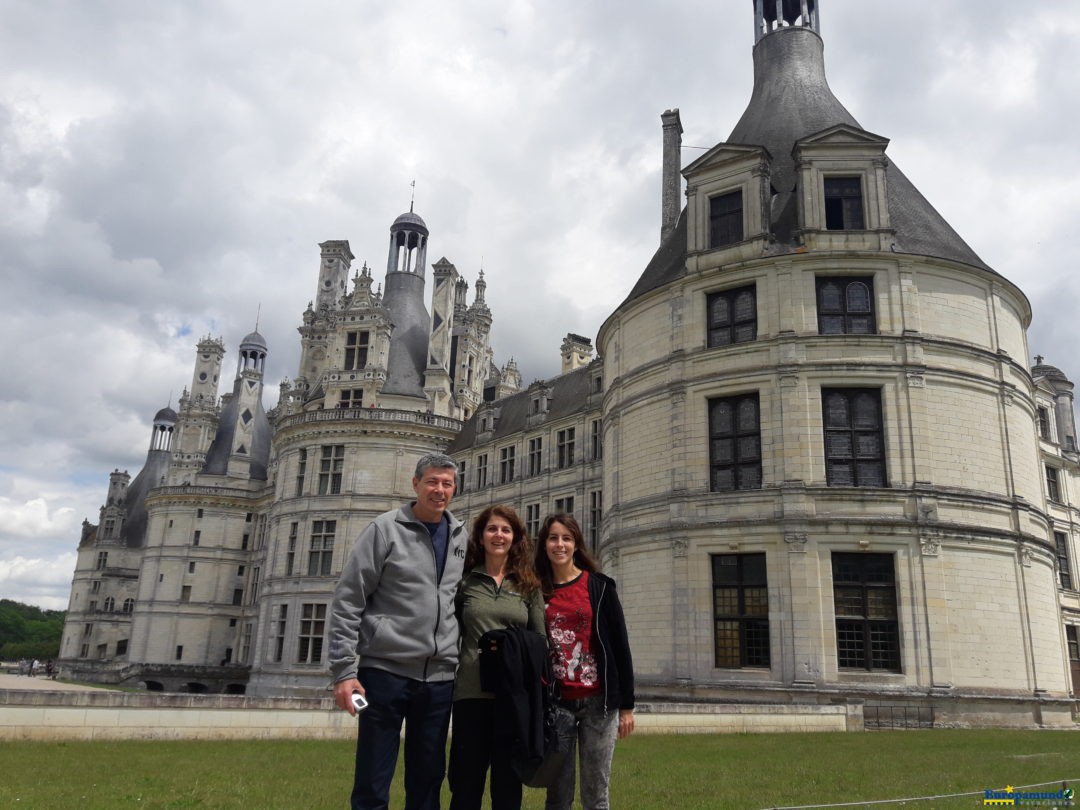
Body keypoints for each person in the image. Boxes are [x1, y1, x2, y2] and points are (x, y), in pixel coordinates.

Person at [327, 452, 467, 810]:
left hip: (438, 679)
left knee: (428, 778)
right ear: (415, 484)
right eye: (432, 482)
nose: (440, 490)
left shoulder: (460, 537)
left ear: (455, 488)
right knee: (373, 779)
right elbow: (348, 598)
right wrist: (344, 671)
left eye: (447, 483)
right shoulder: (385, 529)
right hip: (385, 672)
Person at [534, 514, 635, 810]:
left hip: (599, 704)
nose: (560, 544)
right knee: (558, 795)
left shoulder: (600, 587)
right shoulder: (536, 591)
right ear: (544, 544)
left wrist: (627, 706)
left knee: (596, 794)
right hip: (557, 705)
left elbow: (620, 647)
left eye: (567, 538)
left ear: (576, 544)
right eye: (553, 538)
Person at [448, 504, 545, 810]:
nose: (498, 535)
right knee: (465, 784)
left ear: (515, 538)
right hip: (471, 693)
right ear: (480, 536)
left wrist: (508, 644)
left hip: (512, 697)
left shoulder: (528, 585)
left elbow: (541, 642)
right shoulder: (465, 582)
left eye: (506, 530)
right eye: (492, 529)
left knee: (507, 788)